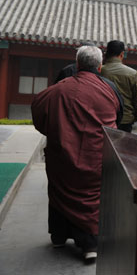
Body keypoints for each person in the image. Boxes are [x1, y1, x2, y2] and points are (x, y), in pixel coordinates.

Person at [31, 46, 122, 263]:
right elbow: (118, 117)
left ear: (77, 64)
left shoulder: (58, 89)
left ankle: (59, 236)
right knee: (90, 199)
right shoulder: (109, 89)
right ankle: (90, 245)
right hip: (95, 155)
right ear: (100, 66)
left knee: (59, 192)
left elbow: (39, 113)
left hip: (61, 154)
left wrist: (58, 132)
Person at [100, 40, 137, 132]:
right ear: (122, 54)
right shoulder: (132, 73)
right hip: (126, 119)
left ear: (106, 53)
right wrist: (134, 116)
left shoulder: (99, 71)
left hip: (104, 117)